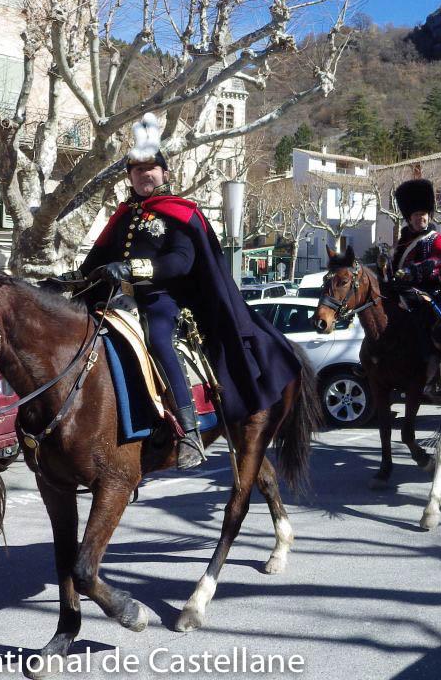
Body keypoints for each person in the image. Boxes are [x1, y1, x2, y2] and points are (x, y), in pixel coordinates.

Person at [80, 113, 301, 470]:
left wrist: (134, 269)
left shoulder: (180, 213)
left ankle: (188, 432)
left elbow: (182, 261)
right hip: (117, 301)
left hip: (163, 301)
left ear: (165, 173)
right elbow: (96, 259)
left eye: (150, 169)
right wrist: (71, 281)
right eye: (136, 171)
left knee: (159, 340)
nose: (143, 175)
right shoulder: (123, 217)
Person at [389, 178, 441, 315]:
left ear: (429, 216)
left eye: (423, 214)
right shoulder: (403, 242)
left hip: (428, 289)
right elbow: (394, 266)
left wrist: (414, 271)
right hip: (400, 287)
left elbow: (437, 260)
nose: (420, 217)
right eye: (416, 214)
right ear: (409, 218)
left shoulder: (437, 238)